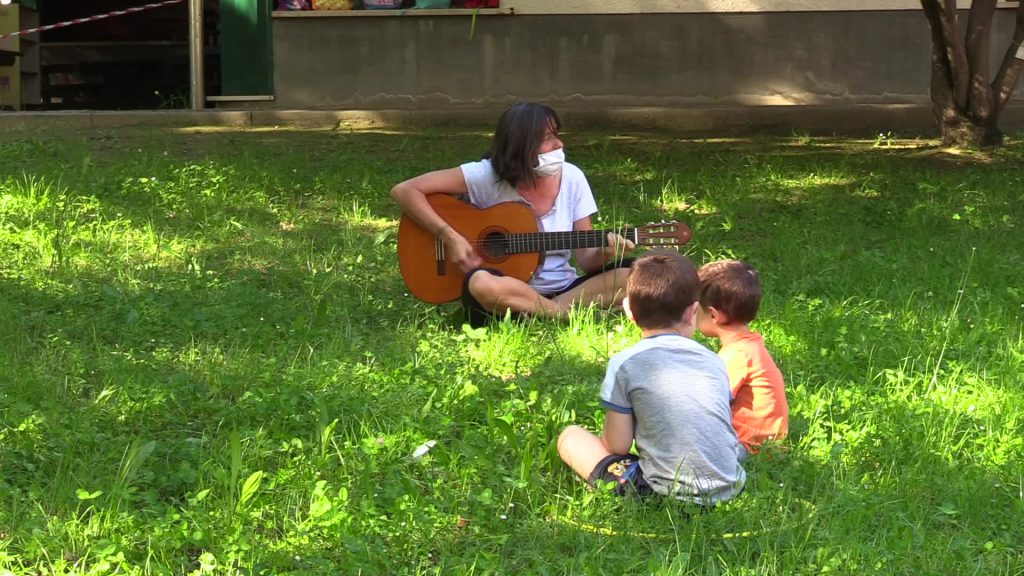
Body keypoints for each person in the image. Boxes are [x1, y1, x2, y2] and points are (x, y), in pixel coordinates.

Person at [390, 102, 635, 327]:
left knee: (636, 276)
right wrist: (449, 236)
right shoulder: (484, 176)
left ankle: (550, 311)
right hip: (505, 290)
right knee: (481, 284)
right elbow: (404, 190)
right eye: (547, 138)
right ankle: (562, 313)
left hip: (564, 288)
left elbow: (586, 261)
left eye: (557, 135)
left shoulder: (572, 177)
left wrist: (605, 253)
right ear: (521, 146)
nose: (559, 144)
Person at [557, 251, 746, 505]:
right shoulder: (715, 361)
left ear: (628, 311)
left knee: (571, 437)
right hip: (731, 488)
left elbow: (617, 447)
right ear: (693, 312)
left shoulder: (625, 364)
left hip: (665, 495)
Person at [697, 259, 789, 457]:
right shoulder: (750, 346)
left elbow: (710, 403)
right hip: (763, 446)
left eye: (697, 311)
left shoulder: (737, 354)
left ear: (713, 315)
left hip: (746, 447)